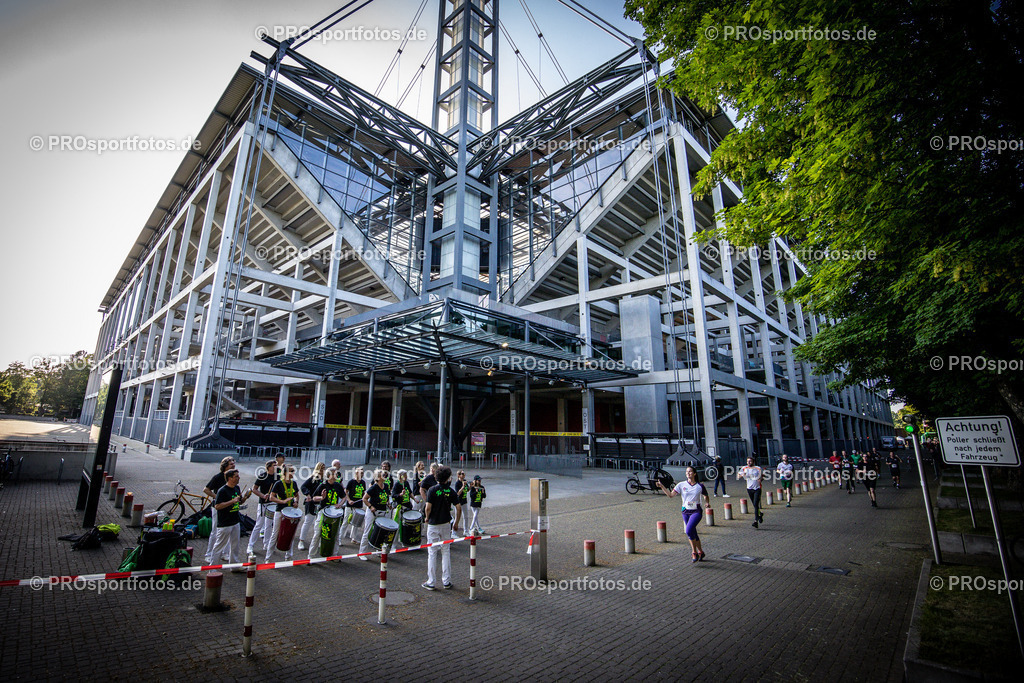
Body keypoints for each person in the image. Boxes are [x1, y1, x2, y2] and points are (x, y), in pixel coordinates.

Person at [658, 466, 711, 562]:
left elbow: (706, 496)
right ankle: (701, 552)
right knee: (693, 532)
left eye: (690, 471)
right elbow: (670, 495)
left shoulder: (700, 486)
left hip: (696, 511)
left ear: (694, 473)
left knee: (688, 530)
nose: (688, 473)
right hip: (685, 511)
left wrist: (707, 502)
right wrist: (662, 486)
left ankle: (694, 552)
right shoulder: (681, 485)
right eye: (687, 471)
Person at [422, 466, 461, 590]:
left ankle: (431, 581)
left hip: (433, 524)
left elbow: (428, 507)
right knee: (446, 551)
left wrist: (427, 517)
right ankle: (446, 580)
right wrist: (456, 523)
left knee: (432, 553)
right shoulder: (451, 491)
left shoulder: (432, 490)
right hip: (446, 523)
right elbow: (458, 508)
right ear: (448, 478)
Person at [209, 468, 253, 569]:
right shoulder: (222, 490)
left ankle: (234, 565)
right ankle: (212, 567)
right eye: (236, 476)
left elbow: (239, 502)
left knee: (235, 545)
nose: (238, 478)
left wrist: (245, 497)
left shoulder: (237, 488)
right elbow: (217, 506)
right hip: (225, 523)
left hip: (235, 521)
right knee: (219, 545)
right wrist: (232, 501)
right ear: (229, 478)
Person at [203, 455, 236, 564]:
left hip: (229, 507)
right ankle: (209, 554)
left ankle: (225, 553)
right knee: (215, 530)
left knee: (228, 530)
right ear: (225, 466)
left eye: (234, 463)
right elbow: (206, 489)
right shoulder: (218, 477)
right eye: (231, 464)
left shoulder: (233, 477)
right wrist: (216, 496)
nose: (233, 465)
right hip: (218, 508)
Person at [308, 468, 346, 560]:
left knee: (335, 534)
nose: (336, 475)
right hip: (323, 512)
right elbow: (314, 498)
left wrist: (340, 504)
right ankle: (311, 556)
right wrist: (322, 497)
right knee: (317, 534)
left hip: (335, 513)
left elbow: (344, 497)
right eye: (334, 474)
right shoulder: (323, 485)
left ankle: (334, 555)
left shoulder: (338, 485)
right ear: (329, 476)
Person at [265, 465, 300, 562]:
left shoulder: (294, 483)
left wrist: (296, 502)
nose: (293, 473)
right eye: (291, 471)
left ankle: (288, 556)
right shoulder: (278, 484)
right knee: (275, 534)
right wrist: (283, 502)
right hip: (280, 511)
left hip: (291, 512)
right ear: (285, 473)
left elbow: (297, 495)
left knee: (290, 533)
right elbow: (271, 497)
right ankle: (268, 558)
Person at [359, 470, 392, 559]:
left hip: (383, 511)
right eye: (382, 475)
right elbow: (364, 499)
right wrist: (370, 506)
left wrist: (388, 503)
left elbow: (387, 497)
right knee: (368, 531)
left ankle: (379, 550)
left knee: (381, 532)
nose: (384, 475)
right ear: (378, 477)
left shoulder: (386, 486)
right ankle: (362, 552)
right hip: (372, 512)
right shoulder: (373, 488)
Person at [247, 460, 277, 556]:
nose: (276, 467)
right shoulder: (263, 476)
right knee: (259, 524)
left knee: (269, 525)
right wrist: (263, 495)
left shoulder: (278, 477)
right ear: (268, 467)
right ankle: (250, 545)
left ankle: (267, 544)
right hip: (263, 503)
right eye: (274, 465)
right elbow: (254, 489)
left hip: (272, 503)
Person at [298, 462, 326, 551]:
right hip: (311, 503)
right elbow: (303, 487)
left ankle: (317, 541)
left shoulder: (325, 479)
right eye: (321, 468)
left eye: (324, 468)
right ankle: (301, 541)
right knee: (308, 521)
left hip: (320, 504)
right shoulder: (313, 478)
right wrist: (308, 494)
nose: (323, 470)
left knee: (319, 524)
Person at [340, 467, 367, 543]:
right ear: (356, 473)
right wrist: (349, 500)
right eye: (360, 473)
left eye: (362, 473)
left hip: (358, 504)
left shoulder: (363, 482)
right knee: (346, 521)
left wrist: (364, 497)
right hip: (350, 505)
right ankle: (340, 538)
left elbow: (363, 492)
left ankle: (353, 538)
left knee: (356, 523)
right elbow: (346, 492)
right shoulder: (351, 482)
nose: (362, 474)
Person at [391, 470, 415, 548]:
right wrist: (400, 494)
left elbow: (410, 492)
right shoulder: (397, 485)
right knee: (397, 525)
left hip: (407, 506)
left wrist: (414, 499)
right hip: (400, 507)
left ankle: (404, 541)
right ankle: (394, 543)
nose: (406, 476)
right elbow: (393, 495)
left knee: (405, 525)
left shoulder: (406, 483)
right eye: (405, 475)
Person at [738, 457, 764, 528]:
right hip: (749, 488)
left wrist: (760, 480)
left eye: (750, 461)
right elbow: (738, 475)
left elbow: (763, 476)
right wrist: (742, 475)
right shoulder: (744, 468)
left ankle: (755, 521)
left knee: (756, 504)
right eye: (747, 461)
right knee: (754, 505)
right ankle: (760, 514)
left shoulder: (758, 468)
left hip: (757, 488)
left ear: (753, 462)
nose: (749, 462)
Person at [453, 470, 469, 534]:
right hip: (458, 502)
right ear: (458, 475)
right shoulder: (457, 483)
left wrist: (470, 486)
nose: (463, 475)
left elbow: (467, 490)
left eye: (464, 474)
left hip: (464, 501)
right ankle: (454, 532)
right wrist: (463, 486)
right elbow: (458, 493)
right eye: (461, 474)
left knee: (466, 517)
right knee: (457, 517)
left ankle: (466, 531)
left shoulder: (464, 481)